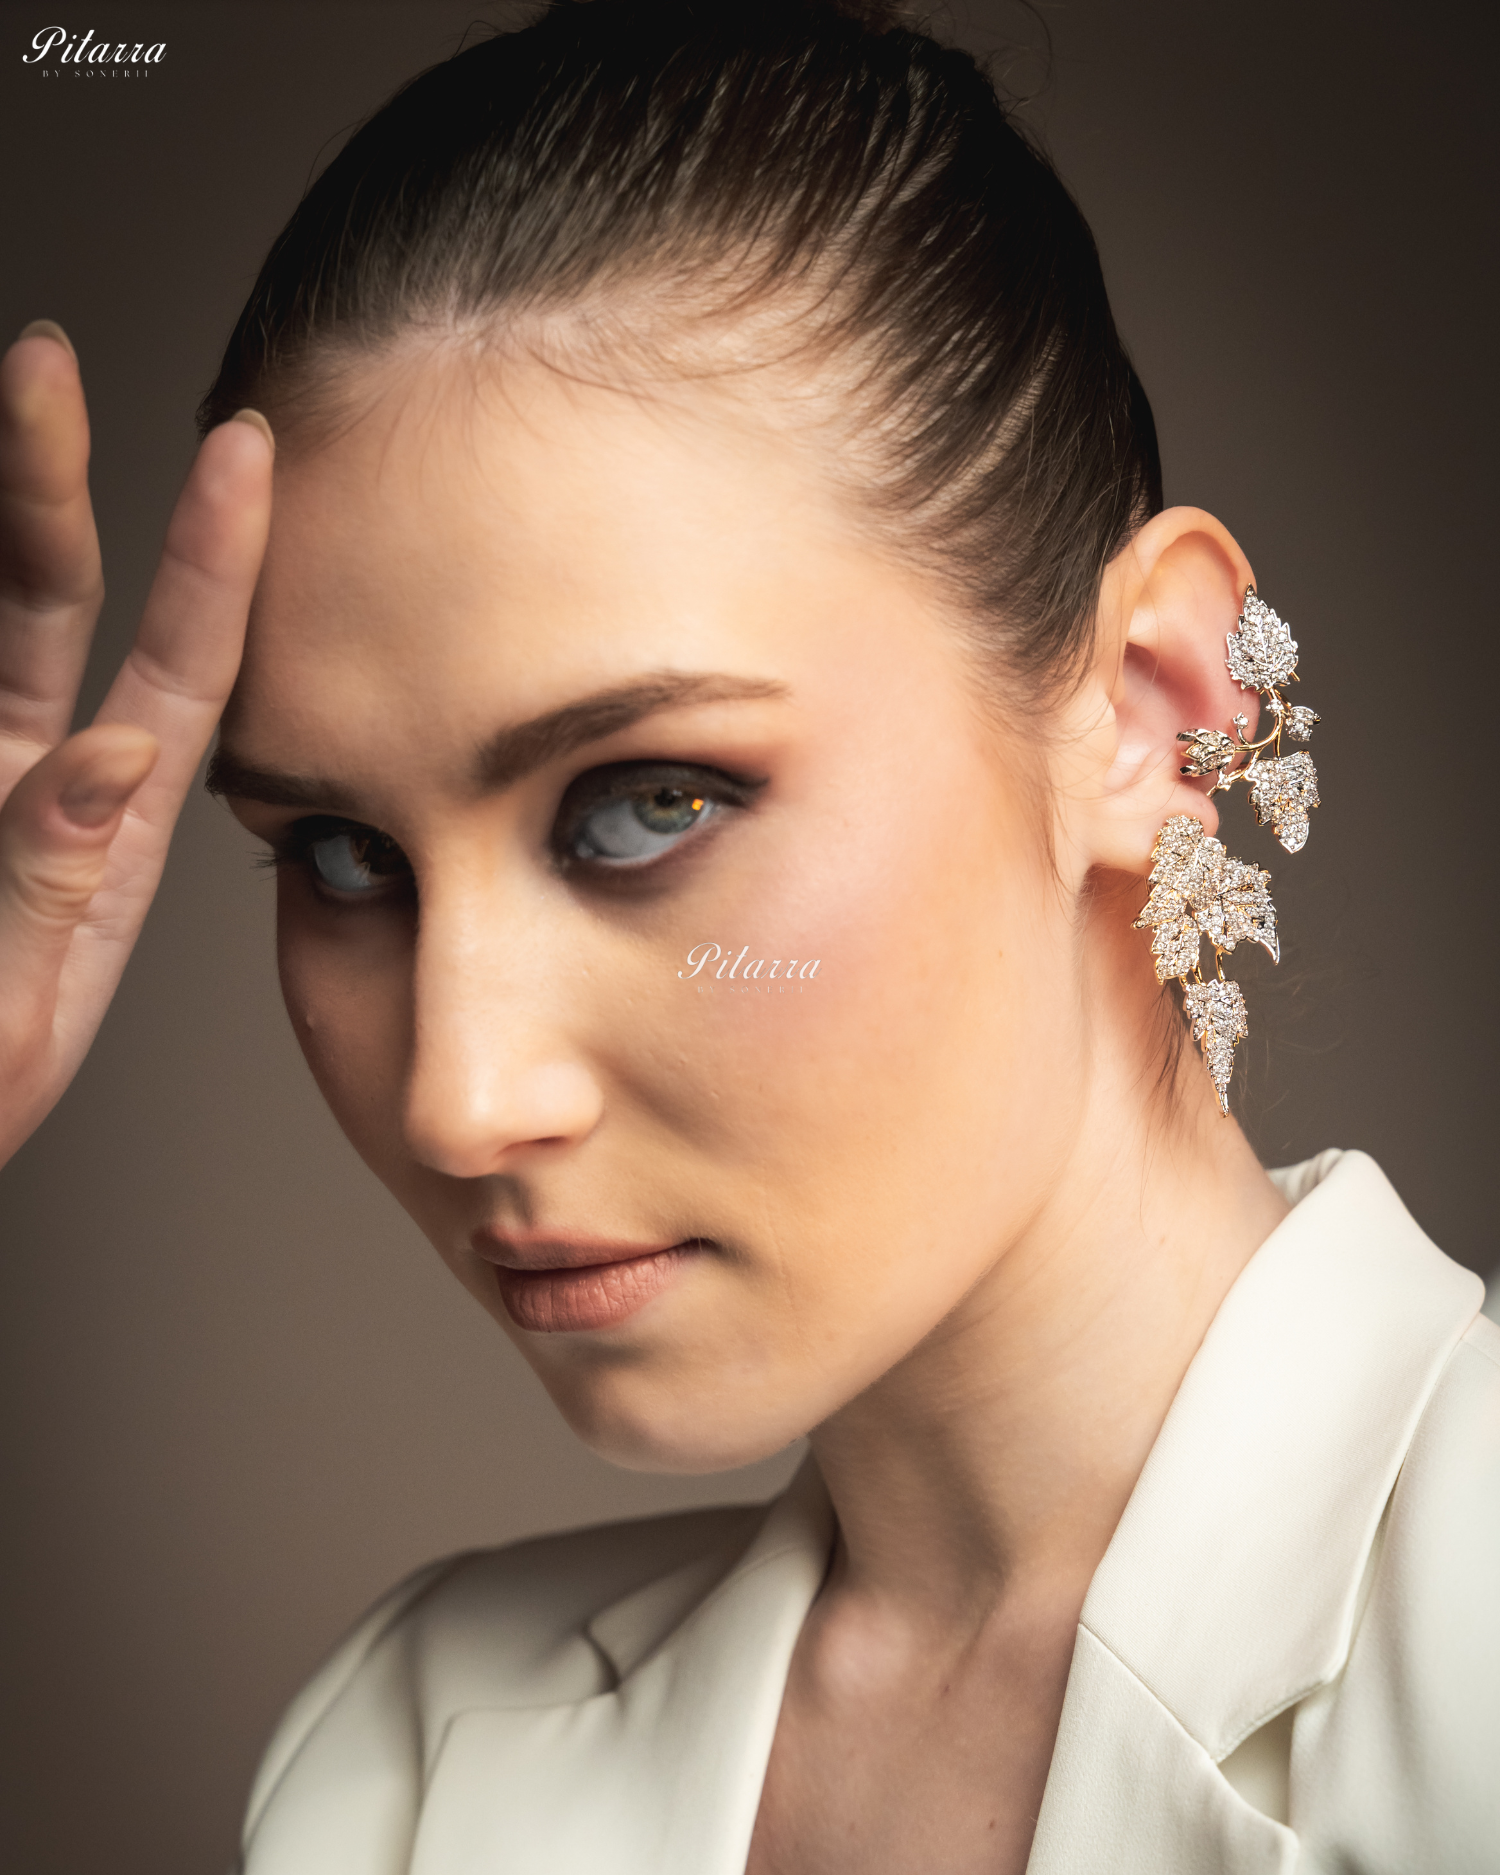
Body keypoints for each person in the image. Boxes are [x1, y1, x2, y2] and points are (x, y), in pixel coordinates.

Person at [1, 3, 1495, 1870]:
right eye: (341, 855)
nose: (462, 1100)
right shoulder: (402, 1765)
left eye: (648, 802)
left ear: (1149, 705)